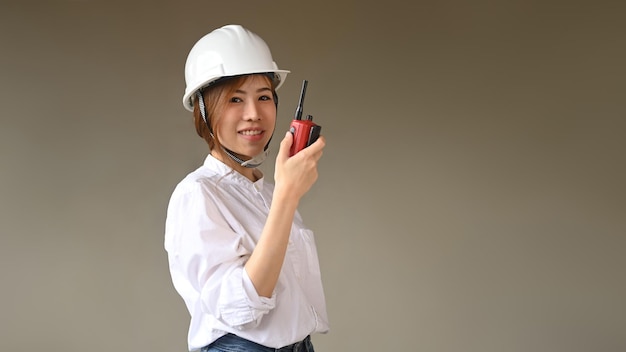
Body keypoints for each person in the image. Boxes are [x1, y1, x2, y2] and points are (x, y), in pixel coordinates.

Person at [164, 24, 329, 352]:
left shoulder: (266, 192)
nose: (253, 115)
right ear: (203, 112)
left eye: (264, 97)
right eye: (235, 99)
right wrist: (288, 195)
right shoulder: (197, 195)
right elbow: (241, 309)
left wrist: (282, 194)